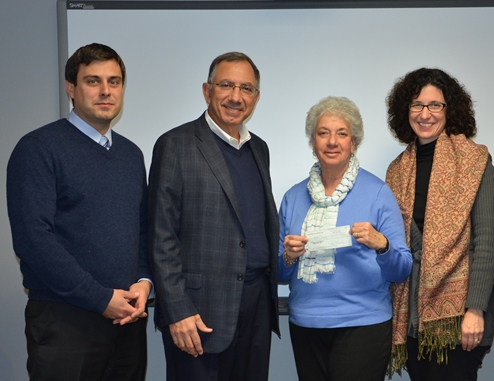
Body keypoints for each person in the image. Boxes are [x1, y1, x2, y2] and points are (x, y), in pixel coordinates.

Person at [6, 43, 152, 381]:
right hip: (64, 322)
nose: (105, 91)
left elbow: (142, 231)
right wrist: (99, 298)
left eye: (114, 82)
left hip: (127, 322)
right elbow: (33, 240)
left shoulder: (131, 155)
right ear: (71, 88)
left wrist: (144, 283)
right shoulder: (38, 149)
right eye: (93, 81)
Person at [149, 52, 280, 381]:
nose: (236, 97)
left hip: (256, 306)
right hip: (198, 313)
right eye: (226, 85)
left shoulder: (259, 148)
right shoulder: (175, 145)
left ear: (257, 97)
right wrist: (177, 310)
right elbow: (161, 235)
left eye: (246, 88)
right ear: (207, 91)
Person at [279, 96, 412, 381]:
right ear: (313, 142)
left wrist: (382, 245)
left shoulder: (378, 193)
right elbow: (279, 272)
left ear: (354, 143)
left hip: (362, 325)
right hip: (305, 323)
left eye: (342, 134)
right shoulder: (292, 197)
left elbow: (402, 268)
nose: (332, 142)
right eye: (323, 133)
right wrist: (288, 256)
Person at [384, 68, 494, 380]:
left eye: (435, 105)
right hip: (412, 320)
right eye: (417, 105)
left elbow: (487, 243)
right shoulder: (396, 171)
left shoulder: (476, 163)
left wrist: (475, 310)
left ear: (451, 110)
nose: (425, 114)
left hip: (459, 319)